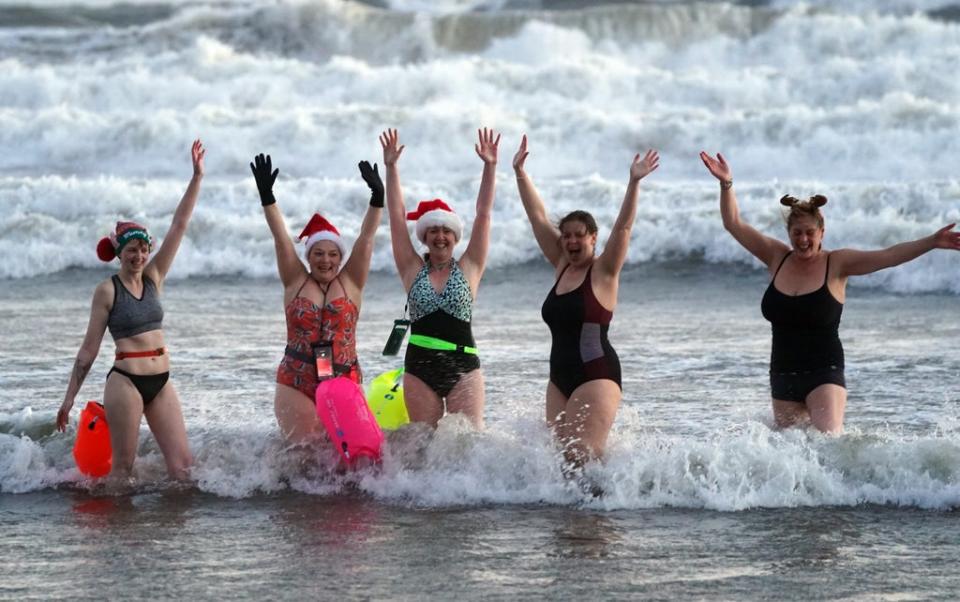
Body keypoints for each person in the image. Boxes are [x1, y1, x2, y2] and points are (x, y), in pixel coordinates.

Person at [700, 151, 960, 433]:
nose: (803, 239)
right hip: (782, 375)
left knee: (829, 447)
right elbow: (733, 223)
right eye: (797, 232)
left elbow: (889, 255)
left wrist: (932, 241)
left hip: (824, 374)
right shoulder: (776, 257)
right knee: (793, 460)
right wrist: (727, 184)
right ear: (789, 233)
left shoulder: (837, 264)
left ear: (822, 232)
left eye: (810, 232)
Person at [57, 140, 205, 482]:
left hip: (161, 381)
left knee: (183, 470)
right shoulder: (107, 290)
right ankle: (118, 534)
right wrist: (68, 401)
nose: (138, 256)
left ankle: (174, 532)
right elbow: (88, 350)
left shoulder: (154, 277)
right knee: (123, 469)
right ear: (119, 253)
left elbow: (179, 226)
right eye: (131, 250)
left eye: (143, 249)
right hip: (126, 382)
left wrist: (196, 176)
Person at [513, 134, 660, 468]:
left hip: (597, 374)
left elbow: (623, 229)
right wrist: (520, 173)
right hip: (559, 379)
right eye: (566, 235)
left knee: (582, 461)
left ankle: (608, 514)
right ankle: (577, 521)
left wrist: (634, 182)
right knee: (560, 465)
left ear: (593, 238)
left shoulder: (603, 271)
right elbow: (537, 216)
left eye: (580, 234)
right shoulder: (561, 265)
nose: (572, 240)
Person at [250, 153, 384, 443]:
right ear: (308, 256)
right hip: (296, 380)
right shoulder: (296, 281)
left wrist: (377, 198)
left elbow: (367, 238)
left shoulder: (351, 282)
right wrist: (267, 197)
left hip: (344, 378)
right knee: (302, 455)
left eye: (333, 254)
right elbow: (281, 239)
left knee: (347, 458)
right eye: (318, 254)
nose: (326, 260)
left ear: (340, 257)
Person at [380, 128, 499, 428]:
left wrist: (490, 167)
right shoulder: (411, 268)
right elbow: (396, 215)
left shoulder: (470, 266)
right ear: (425, 236)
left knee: (468, 444)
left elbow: (483, 214)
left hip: (464, 365)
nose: (440, 236)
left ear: (455, 237)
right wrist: (391, 168)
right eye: (433, 230)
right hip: (420, 366)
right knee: (423, 446)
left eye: (446, 231)